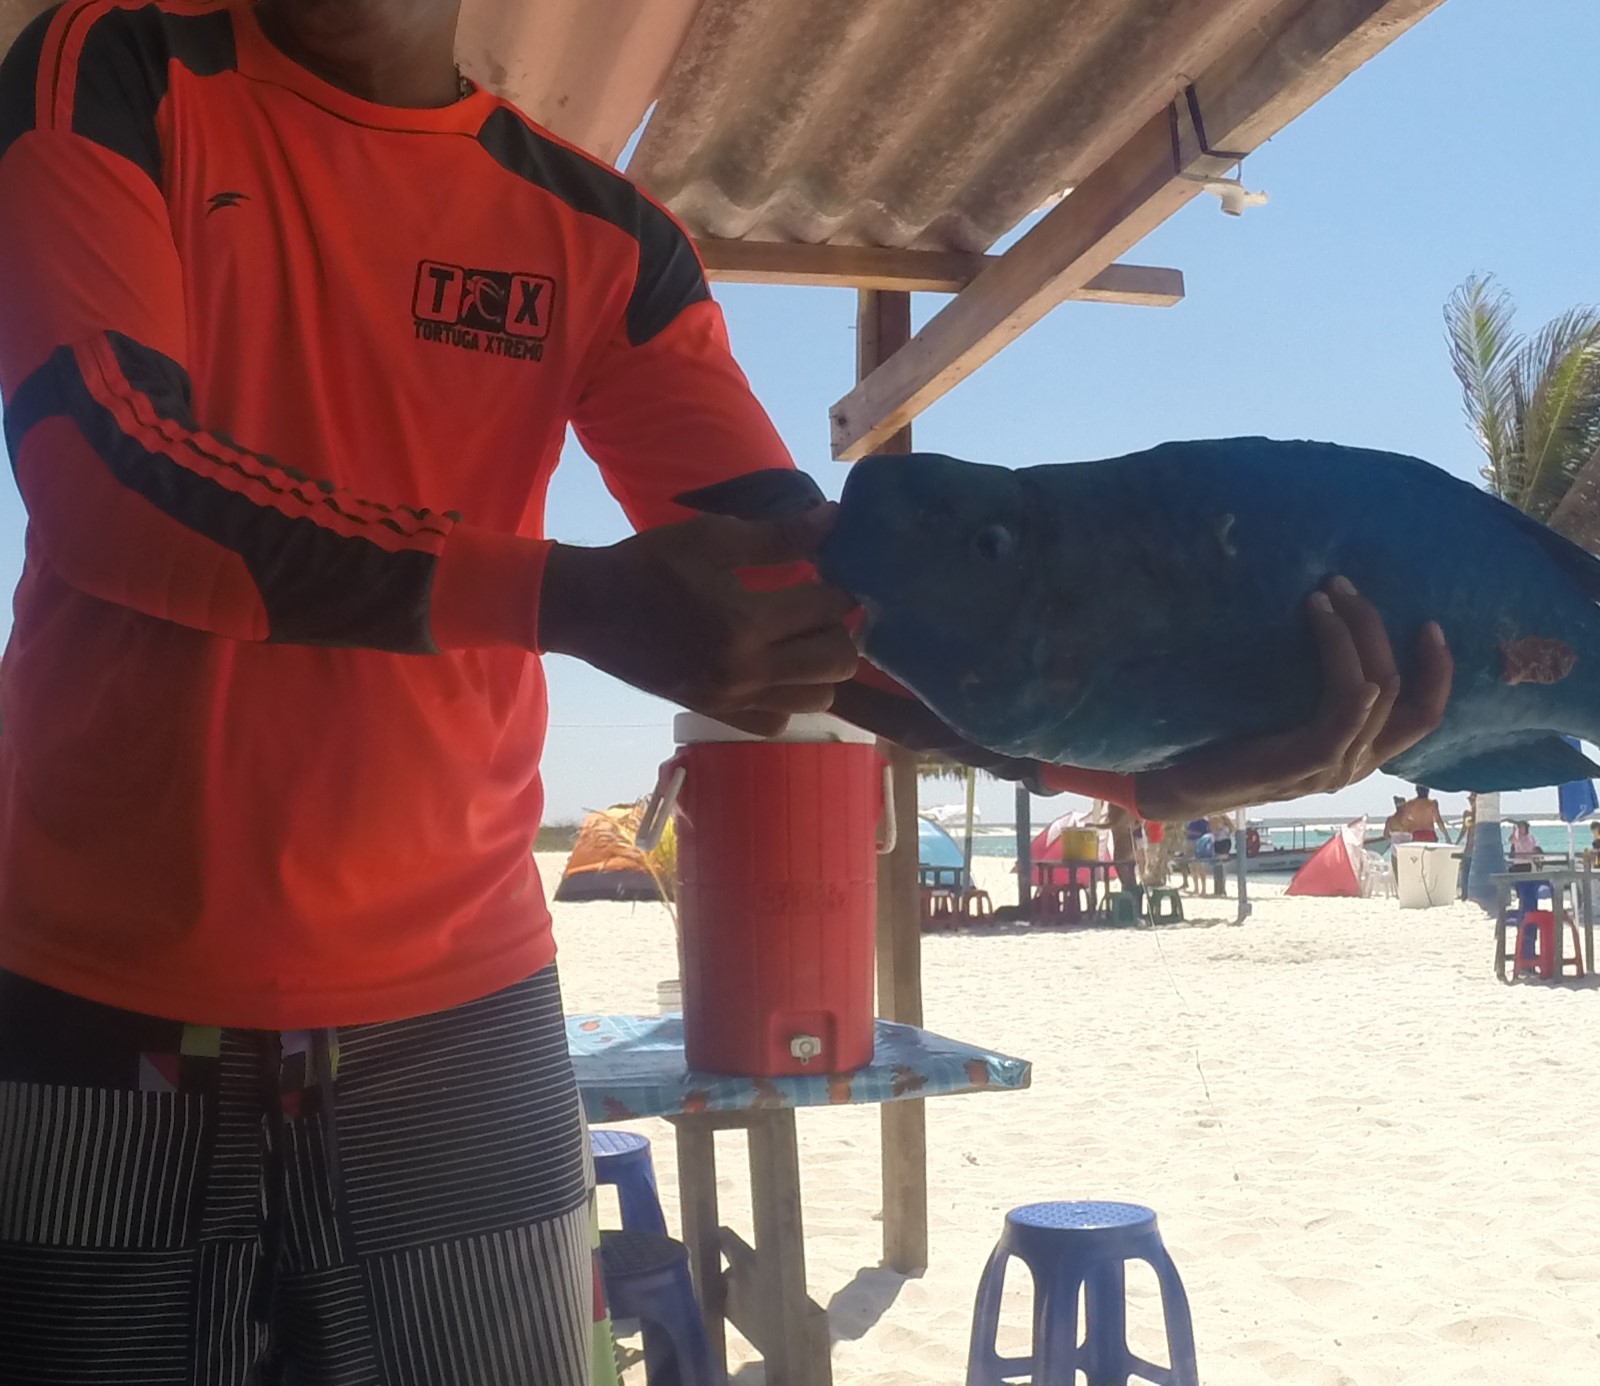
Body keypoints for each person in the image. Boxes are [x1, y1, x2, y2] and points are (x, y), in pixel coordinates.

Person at [0, 2, 1452, 1376]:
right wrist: (575, 599)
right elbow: (109, 471)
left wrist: (1138, 773)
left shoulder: (602, 235)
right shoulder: (110, 66)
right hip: (89, 995)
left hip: (458, 1017)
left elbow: (816, 605)